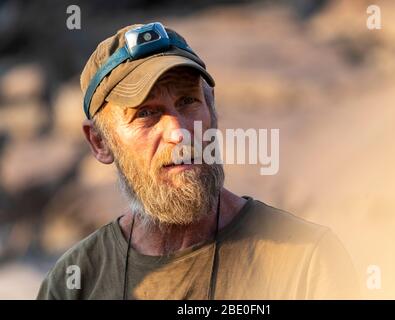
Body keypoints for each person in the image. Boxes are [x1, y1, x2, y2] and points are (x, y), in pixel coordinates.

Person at [37, 22, 360, 300]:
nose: (178, 132)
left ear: (213, 113)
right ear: (100, 142)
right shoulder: (75, 280)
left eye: (188, 102)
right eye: (146, 113)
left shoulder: (305, 257)